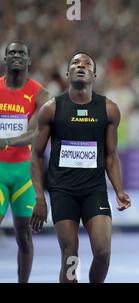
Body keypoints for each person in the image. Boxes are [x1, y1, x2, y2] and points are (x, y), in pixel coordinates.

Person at [30, 52, 131, 283]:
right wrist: (39, 197)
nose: (81, 66)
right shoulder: (51, 109)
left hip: (94, 191)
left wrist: (119, 190)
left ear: (94, 75)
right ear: (68, 74)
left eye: (87, 64)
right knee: (70, 258)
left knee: (103, 252)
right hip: (62, 192)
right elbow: (35, 155)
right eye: (75, 63)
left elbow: (111, 156)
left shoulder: (109, 109)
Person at [0, 41, 50, 283]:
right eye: (12, 53)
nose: (16, 56)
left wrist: (6, 141)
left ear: (29, 61)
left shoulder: (41, 94)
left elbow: (35, 132)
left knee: (24, 236)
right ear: (5, 59)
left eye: (21, 53)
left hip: (24, 174)